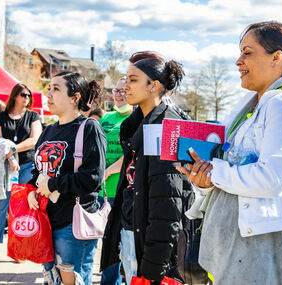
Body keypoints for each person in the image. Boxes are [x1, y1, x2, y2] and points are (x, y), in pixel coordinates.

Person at [176, 21, 282, 284]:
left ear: (276, 57)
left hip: (262, 248)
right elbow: (231, 176)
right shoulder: (251, 108)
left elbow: (271, 178)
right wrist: (205, 182)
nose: (238, 61)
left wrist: (215, 172)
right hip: (238, 249)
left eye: (247, 52)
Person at [102, 51, 187, 284]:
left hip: (151, 247)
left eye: (133, 80)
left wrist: (152, 271)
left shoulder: (166, 126)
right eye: (126, 79)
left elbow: (167, 203)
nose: (125, 86)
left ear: (153, 85)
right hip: (131, 231)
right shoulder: (137, 122)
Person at [26, 71, 106, 285]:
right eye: (49, 88)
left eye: (56, 89)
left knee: (74, 281)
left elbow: (92, 178)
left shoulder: (89, 128)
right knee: (52, 280)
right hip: (46, 221)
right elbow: (37, 171)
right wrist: (32, 189)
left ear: (75, 97)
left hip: (73, 224)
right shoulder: (48, 131)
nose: (49, 94)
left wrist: (52, 184)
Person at [0, 83, 42, 263]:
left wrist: (13, 149)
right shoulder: (1, 116)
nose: (26, 98)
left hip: (26, 167)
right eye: (23, 94)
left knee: (20, 209)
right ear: (15, 95)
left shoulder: (33, 116)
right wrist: (9, 156)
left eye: (29, 95)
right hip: (4, 168)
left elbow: (34, 139)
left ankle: (18, 249)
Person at [99, 77, 132, 285]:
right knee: (107, 242)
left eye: (123, 90)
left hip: (122, 189)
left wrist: (109, 171)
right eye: (115, 90)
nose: (118, 94)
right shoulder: (106, 118)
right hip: (102, 191)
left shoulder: (134, 117)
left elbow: (131, 153)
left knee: (122, 243)